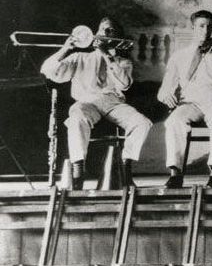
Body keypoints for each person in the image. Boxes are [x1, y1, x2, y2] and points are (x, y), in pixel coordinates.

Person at [40, 17, 152, 190]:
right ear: (96, 33)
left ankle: (125, 168)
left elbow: (125, 84)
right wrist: (65, 49)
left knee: (142, 123)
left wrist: (107, 55)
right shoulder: (79, 57)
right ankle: (78, 172)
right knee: (76, 117)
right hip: (86, 102)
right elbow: (49, 71)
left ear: (116, 37)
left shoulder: (123, 62)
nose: (105, 33)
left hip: (114, 104)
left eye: (110, 31)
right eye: (102, 30)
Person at [158, 10, 212, 188]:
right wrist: (166, 95)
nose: (205, 31)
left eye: (209, 27)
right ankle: (175, 173)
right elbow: (163, 90)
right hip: (191, 103)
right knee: (173, 121)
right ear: (193, 28)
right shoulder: (179, 56)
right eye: (201, 26)